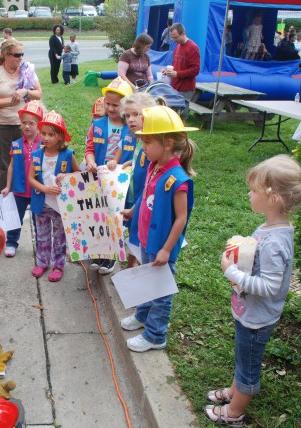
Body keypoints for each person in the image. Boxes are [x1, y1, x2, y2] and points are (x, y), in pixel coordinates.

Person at [204, 154, 301, 426]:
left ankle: (234, 413)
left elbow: (269, 286)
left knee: (248, 366)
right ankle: (234, 392)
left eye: (254, 190)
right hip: (249, 312)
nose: (248, 193)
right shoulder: (272, 228)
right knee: (243, 357)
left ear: (273, 198)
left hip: (257, 318)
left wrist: (231, 272)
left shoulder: (276, 242)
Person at [119, 106, 198, 352]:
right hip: (146, 241)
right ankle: (142, 315)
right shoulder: (155, 167)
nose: (143, 147)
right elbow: (146, 193)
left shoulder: (178, 180)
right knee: (146, 281)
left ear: (168, 143)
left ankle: (155, 335)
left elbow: (181, 219)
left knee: (161, 294)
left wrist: (166, 249)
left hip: (161, 247)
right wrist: (133, 211)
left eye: (147, 141)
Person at [84, 78, 134, 275]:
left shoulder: (132, 128)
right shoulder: (97, 124)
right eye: (108, 103)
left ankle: (112, 256)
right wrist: (89, 161)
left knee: (116, 216)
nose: (111, 108)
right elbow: (89, 148)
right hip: (99, 179)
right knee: (99, 215)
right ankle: (100, 251)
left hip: (122, 183)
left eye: (116, 104)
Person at [0, 40, 42, 196]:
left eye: (22, 54)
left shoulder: (27, 70)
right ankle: (2, 200)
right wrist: (12, 101)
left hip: (26, 126)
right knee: (5, 164)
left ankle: (25, 195)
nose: (20, 58)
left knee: (28, 163)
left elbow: (38, 93)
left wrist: (25, 92)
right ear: (6, 54)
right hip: (2, 126)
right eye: (17, 54)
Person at [28, 111, 81, 282]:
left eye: (51, 134)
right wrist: (44, 189)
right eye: (43, 134)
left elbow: (78, 173)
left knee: (60, 235)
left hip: (60, 205)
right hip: (41, 202)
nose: (46, 138)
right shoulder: (37, 155)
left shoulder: (67, 154)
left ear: (60, 136)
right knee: (42, 234)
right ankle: (42, 262)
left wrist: (66, 176)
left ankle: (58, 264)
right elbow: (30, 178)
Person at [1, 101, 45, 258]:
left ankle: (41, 246)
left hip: (37, 190)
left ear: (39, 125)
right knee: (15, 219)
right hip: (19, 189)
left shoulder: (44, 144)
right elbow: (11, 166)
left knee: (38, 220)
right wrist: (8, 186)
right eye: (24, 123)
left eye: (31, 123)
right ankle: (11, 243)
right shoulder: (17, 144)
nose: (27, 126)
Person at [120, 92, 157, 268]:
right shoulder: (141, 141)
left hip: (145, 203)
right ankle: (132, 265)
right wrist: (130, 163)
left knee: (141, 238)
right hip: (137, 199)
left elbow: (151, 182)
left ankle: (134, 268)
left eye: (136, 114)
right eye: (127, 115)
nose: (130, 119)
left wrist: (135, 208)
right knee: (133, 232)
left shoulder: (151, 145)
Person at [162, 23, 200, 118]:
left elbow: (195, 70)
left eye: (175, 37)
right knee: (172, 114)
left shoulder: (193, 48)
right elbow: (176, 65)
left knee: (180, 115)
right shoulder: (177, 47)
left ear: (183, 33)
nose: (174, 40)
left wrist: (177, 74)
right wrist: (167, 71)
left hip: (186, 87)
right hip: (175, 86)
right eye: (172, 38)